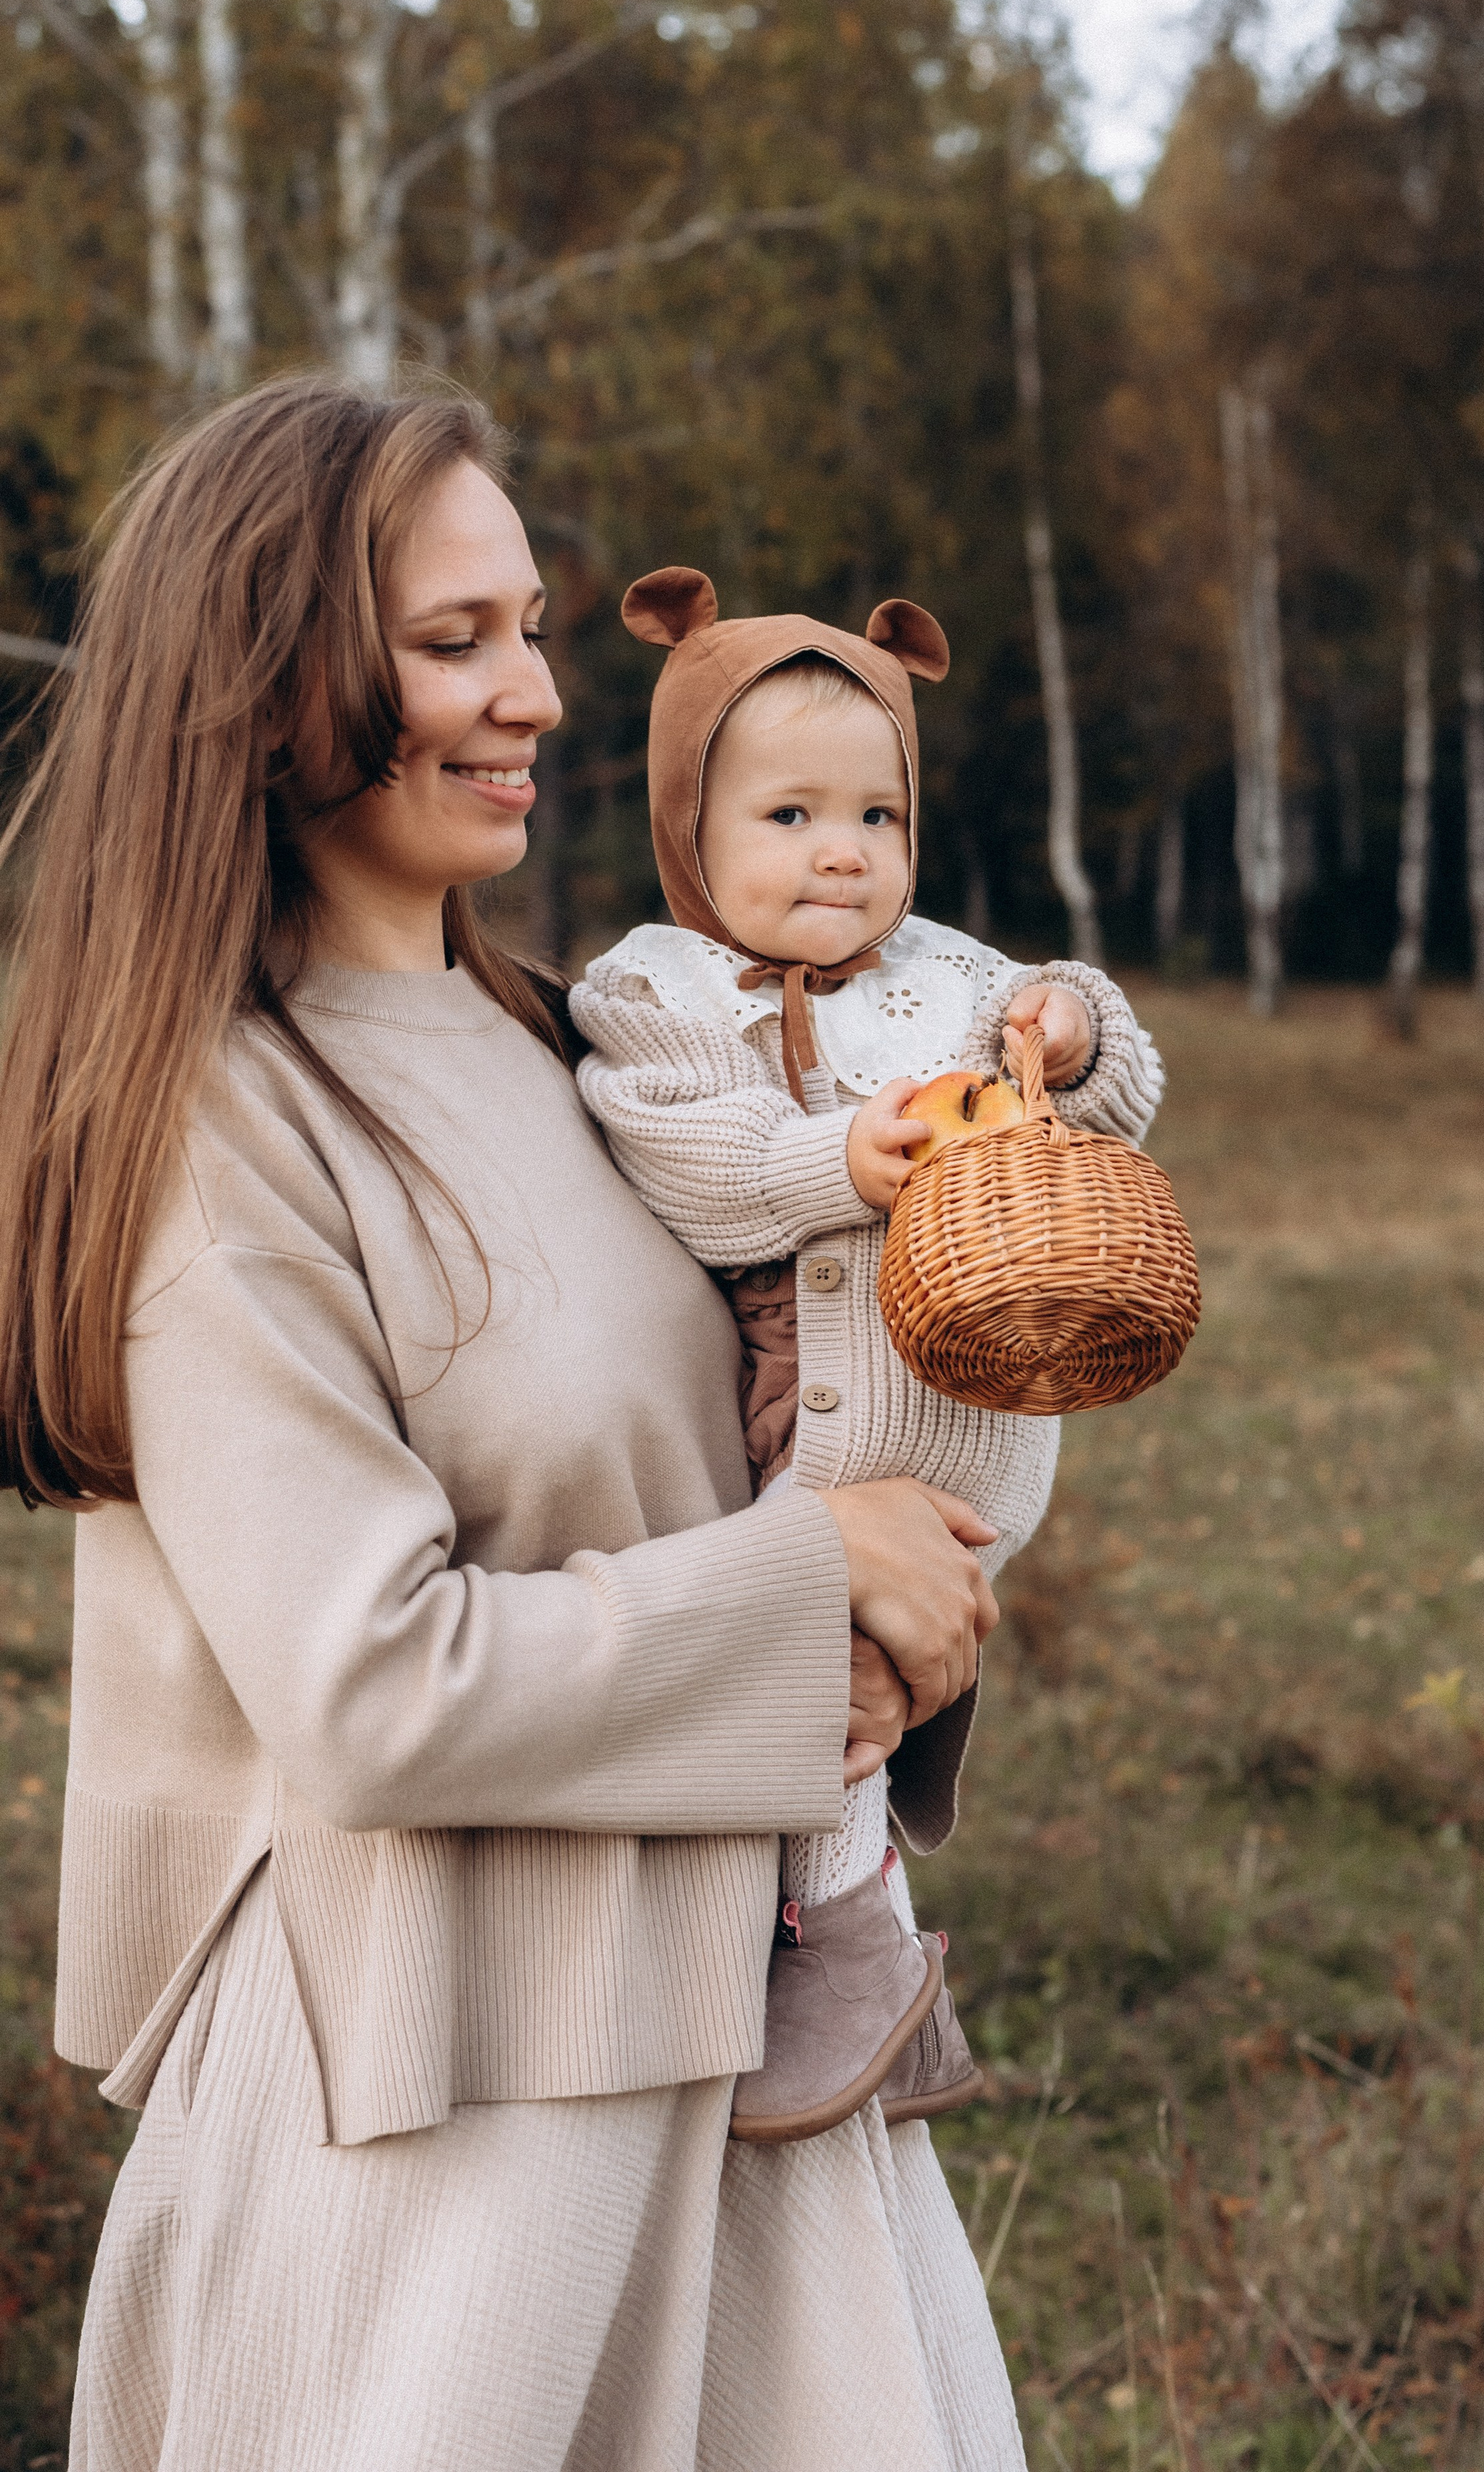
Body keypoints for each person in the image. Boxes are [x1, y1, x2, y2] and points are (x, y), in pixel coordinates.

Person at [0, 375, 1028, 2470]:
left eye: (535, 629)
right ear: (266, 673)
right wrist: (815, 1578)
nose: (541, 695)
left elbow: (767, 1422)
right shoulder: (223, 1120)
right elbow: (371, 1691)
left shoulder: (575, 1036)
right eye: (453, 639)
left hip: (743, 2061)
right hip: (453, 2139)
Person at [569, 566, 1163, 2141]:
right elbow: (680, 1160)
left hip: (969, 1407)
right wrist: (838, 1163)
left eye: (876, 818)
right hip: (800, 1411)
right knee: (829, 1691)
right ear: (687, 826)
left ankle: (848, 1958)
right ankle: (853, 1948)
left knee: (872, 1671)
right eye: (785, 818)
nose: (841, 851)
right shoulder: (654, 986)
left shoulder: (955, 980)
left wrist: (1072, 1032)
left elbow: (1109, 1096)